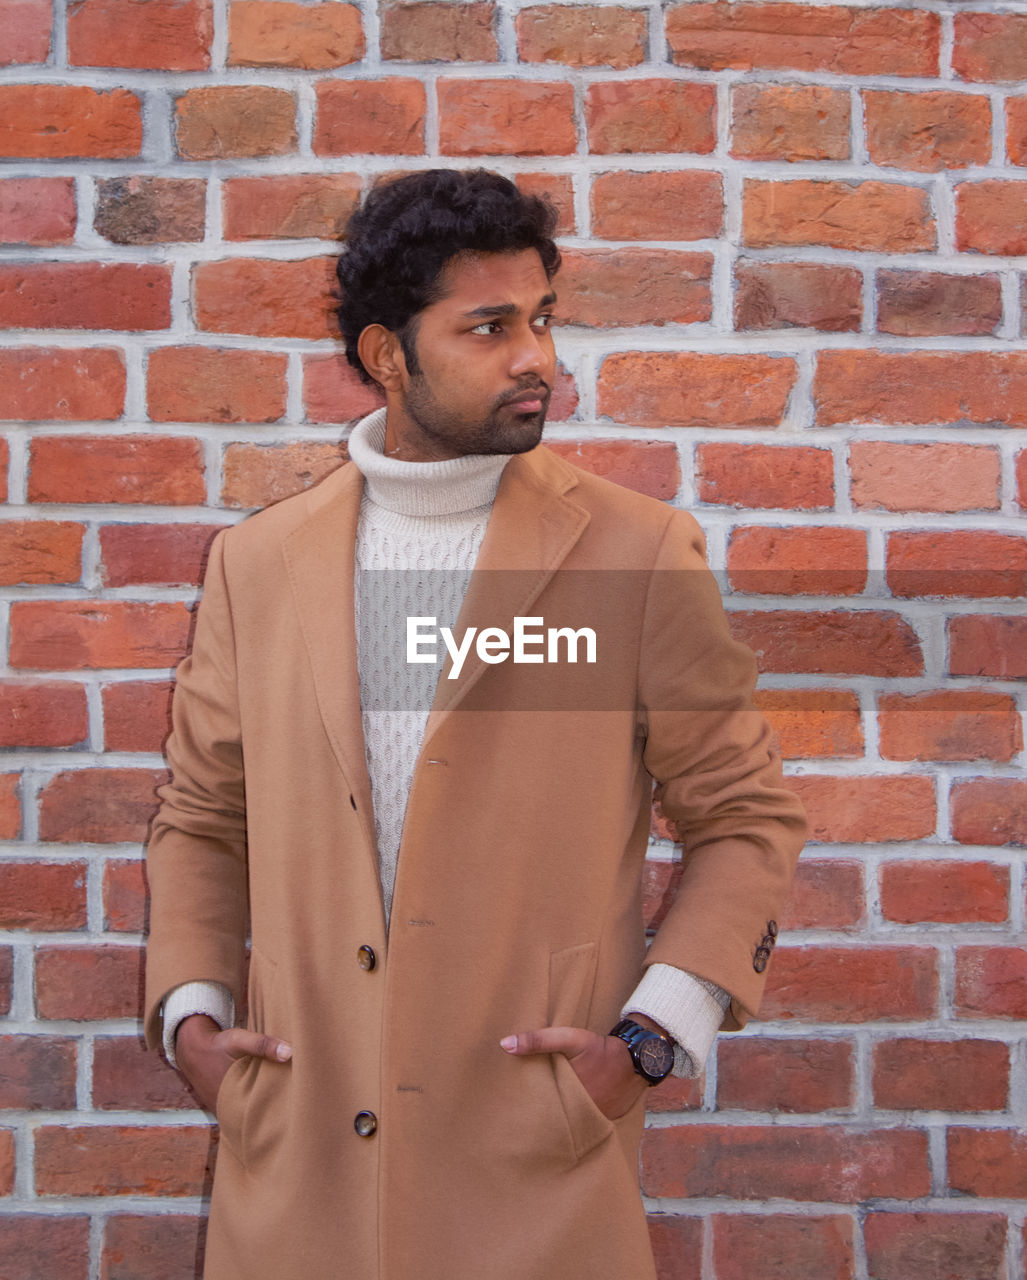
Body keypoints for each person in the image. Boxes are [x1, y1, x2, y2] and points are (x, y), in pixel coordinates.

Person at [144, 168, 806, 1280]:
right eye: (489, 327)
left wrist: (645, 1041)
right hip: (296, 1168)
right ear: (386, 355)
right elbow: (205, 816)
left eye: (542, 318)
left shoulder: (636, 555)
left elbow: (743, 818)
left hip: (531, 1173)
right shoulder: (257, 564)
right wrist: (196, 1021)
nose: (535, 356)